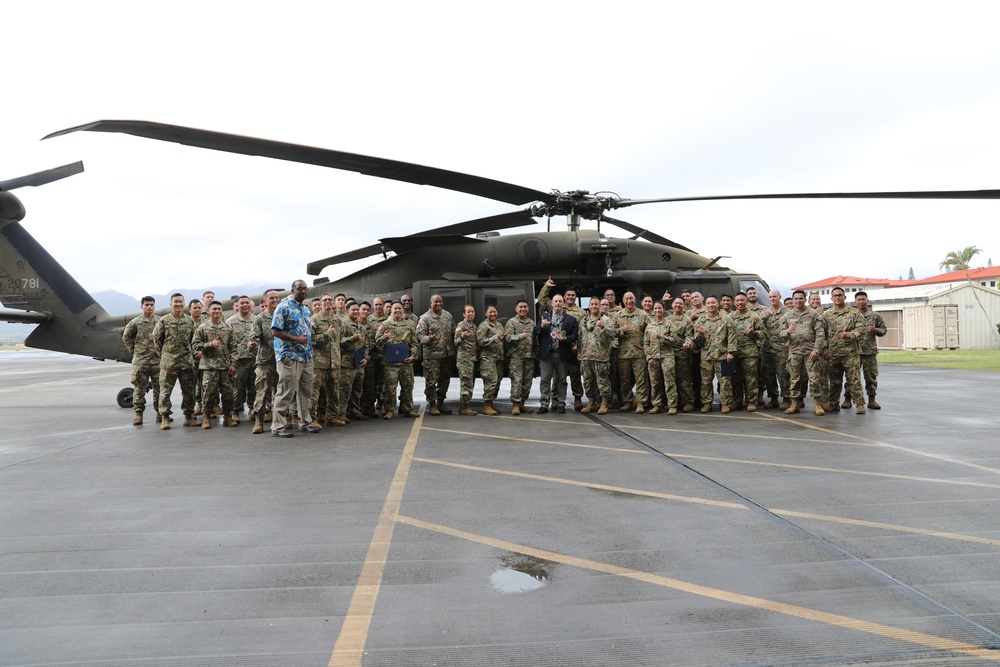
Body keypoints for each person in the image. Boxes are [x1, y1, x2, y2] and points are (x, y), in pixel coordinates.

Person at [270, 280, 319, 438]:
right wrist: (296, 339)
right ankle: (277, 426)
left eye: (305, 289)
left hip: (306, 356)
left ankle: (305, 422)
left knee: (305, 392)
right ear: (292, 290)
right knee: (285, 391)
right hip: (289, 355)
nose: (303, 291)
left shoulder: (305, 309)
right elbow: (275, 331)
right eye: (300, 289)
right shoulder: (283, 307)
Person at [152, 293, 198, 429]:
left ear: (184, 304)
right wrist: (165, 355)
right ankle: (165, 418)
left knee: (189, 391)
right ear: (170, 304)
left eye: (181, 302)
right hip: (169, 364)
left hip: (186, 363)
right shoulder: (164, 321)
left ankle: (188, 417)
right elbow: (156, 339)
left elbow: (193, 340)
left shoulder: (190, 321)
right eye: (175, 302)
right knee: (165, 391)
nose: (178, 304)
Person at [780, 289, 827, 416]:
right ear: (792, 300)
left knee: (814, 378)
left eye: (801, 298)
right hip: (794, 352)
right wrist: (787, 332)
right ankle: (794, 403)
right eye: (796, 298)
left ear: (805, 300)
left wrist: (817, 350)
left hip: (810, 352)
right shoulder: (786, 316)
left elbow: (820, 334)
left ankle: (817, 404)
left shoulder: (814, 314)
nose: (798, 301)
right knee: (794, 379)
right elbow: (781, 334)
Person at [194, 301, 239, 428]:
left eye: (219, 309)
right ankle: (206, 417)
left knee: (228, 394)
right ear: (209, 311)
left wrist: (234, 364)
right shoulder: (202, 328)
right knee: (208, 394)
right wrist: (210, 345)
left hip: (225, 367)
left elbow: (234, 347)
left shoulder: (227, 328)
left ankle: (228, 417)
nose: (217, 312)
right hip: (209, 367)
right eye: (214, 309)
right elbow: (195, 345)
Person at [823, 286, 867, 414]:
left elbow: (862, 330)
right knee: (835, 381)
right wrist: (825, 349)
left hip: (850, 353)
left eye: (840, 295)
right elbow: (822, 334)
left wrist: (848, 335)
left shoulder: (854, 313)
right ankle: (833, 403)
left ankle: (859, 404)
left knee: (854, 379)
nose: (837, 297)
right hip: (833, 353)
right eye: (835, 295)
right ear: (831, 298)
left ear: (844, 297)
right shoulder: (827, 315)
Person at [644, 300, 691, 414]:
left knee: (669, 382)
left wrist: (662, 337)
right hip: (654, 357)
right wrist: (648, 357)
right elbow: (645, 343)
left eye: (660, 308)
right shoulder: (650, 325)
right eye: (655, 308)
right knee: (655, 383)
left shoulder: (669, 324)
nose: (657, 310)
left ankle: (672, 405)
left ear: (664, 310)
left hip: (667, 357)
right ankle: (657, 404)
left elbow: (674, 341)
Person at [376, 301, 420, 419]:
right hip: (390, 363)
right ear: (391, 310)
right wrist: (384, 338)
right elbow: (377, 343)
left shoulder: (409, 325)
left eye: (399, 308)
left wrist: (413, 356)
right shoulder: (385, 325)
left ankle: (408, 409)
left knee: (408, 386)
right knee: (390, 388)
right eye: (395, 308)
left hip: (406, 362)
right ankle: (390, 410)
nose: (397, 311)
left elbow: (415, 343)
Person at [122, 296, 161, 425]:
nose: (149, 307)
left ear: (154, 306)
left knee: (159, 388)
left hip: (157, 361)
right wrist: (135, 351)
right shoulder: (135, 322)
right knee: (139, 388)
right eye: (146, 305)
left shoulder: (160, 322)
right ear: (142, 306)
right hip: (141, 361)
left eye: (151, 305)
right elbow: (126, 337)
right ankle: (139, 414)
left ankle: (160, 413)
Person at [536, 294, 578, 414]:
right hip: (547, 355)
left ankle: (561, 403)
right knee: (545, 380)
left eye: (560, 301)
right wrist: (541, 326)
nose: (558, 303)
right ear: (552, 304)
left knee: (562, 380)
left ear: (563, 304)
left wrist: (566, 339)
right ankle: (544, 404)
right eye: (556, 301)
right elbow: (535, 331)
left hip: (562, 353)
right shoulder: (544, 316)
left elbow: (574, 335)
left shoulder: (571, 319)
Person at [694, 296, 736, 413]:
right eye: (708, 303)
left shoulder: (726, 319)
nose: (711, 305)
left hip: (723, 356)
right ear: (705, 305)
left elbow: (732, 337)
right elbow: (696, 342)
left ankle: (725, 403)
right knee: (706, 381)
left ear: (718, 304)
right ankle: (707, 403)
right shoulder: (700, 320)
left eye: (713, 302)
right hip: (706, 357)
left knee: (725, 381)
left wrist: (731, 352)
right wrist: (699, 335)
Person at [415, 294, 456, 415]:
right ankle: (432, 405)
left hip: (446, 355)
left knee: (445, 380)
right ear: (430, 303)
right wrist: (429, 338)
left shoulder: (448, 315)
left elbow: (454, 332)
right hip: (432, 356)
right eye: (435, 302)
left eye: (440, 302)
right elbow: (419, 336)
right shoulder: (424, 318)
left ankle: (441, 403)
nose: (438, 304)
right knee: (431, 382)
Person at [248, 289, 280, 434]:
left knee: (280, 392)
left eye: (276, 298)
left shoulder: (282, 316)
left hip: (281, 359)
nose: (274, 300)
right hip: (265, 360)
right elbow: (254, 337)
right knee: (262, 391)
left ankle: (278, 420)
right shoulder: (259, 318)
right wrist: (253, 343)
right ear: (265, 302)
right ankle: (259, 421)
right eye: (271, 298)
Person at [311, 294, 345, 427]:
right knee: (314, 392)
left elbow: (340, 340)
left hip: (335, 362)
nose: (327, 302)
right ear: (320, 303)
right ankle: (311, 419)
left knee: (334, 391)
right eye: (324, 300)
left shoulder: (337, 320)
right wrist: (326, 335)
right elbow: (311, 340)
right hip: (319, 362)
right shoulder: (314, 319)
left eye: (329, 300)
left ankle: (331, 417)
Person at [613, 291, 650, 412]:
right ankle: (627, 401)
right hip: (623, 354)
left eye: (631, 299)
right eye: (627, 299)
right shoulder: (618, 316)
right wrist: (621, 330)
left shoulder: (643, 314)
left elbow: (649, 332)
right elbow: (610, 333)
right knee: (625, 380)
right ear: (623, 301)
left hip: (639, 353)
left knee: (641, 379)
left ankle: (641, 402)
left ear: (635, 300)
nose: (629, 301)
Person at [579, 297, 616, 414]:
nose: (594, 306)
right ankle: (591, 402)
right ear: (589, 306)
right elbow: (580, 338)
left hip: (601, 357)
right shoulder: (583, 320)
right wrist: (579, 352)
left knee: (603, 381)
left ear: (600, 306)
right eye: (592, 304)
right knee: (588, 381)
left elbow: (612, 334)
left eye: (596, 304)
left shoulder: (606, 320)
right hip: (586, 357)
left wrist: (603, 326)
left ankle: (604, 403)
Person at [730, 292, 763, 411]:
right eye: (737, 301)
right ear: (734, 303)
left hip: (750, 353)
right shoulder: (730, 317)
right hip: (734, 353)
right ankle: (737, 401)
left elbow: (763, 334)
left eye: (742, 300)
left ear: (746, 301)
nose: (740, 303)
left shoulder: (754, 317)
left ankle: (751, 402)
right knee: (735, 378)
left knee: (751, 379)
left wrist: (753, 333)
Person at [226, 295, 256, 423]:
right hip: (239, 361)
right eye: (242, 303)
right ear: (237, 306)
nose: (245, 305)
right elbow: (226, 343)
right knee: (238, 388)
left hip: (254, 359)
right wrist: (231, 362)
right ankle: (235, 411)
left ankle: (252, 409)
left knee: (254, 387)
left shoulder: (256, 320)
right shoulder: (230, 321)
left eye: (247, 303)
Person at [854, 291, 886, 409]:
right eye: (859, 300)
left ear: (867, 300)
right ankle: (848, 399)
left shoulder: (875, 316)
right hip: (854, 352)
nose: (861, 301)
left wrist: (876, 330)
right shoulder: (852, 315)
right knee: (852, 377)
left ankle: (872, 399)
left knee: (871, 377)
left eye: (863, 299)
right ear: (855, 302)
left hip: (869, 352)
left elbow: (884, 330)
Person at [504, 299, 537, 415]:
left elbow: (535, 340)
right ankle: (516, 404)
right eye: (520, 307)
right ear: (516, 309)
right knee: (517, 381)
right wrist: (520, 337)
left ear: (528, 309)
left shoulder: (532, 323)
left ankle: (522, 403)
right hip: (516, 357)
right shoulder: (511, 322)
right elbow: (508, 337)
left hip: (529, 357)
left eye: (525, 307)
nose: (523, 309)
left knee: (527, 382)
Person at [761, 289, 791, 409]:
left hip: (782, 348)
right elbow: (758, 326)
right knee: (769, 375)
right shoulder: (766, 312)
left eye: (775, 296)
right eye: (770, 297)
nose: (772, 299)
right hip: (767, 348)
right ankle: (773, 398)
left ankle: (786, 398)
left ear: (780, 297)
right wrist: (765, 317)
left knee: (783, 375)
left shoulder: (787, 312)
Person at [340, 301, 369, 421]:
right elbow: (339, 342)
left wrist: (366, 358)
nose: (356, 312)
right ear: (347, 312)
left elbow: (366, 345)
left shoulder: (362, 327)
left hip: (359, 362)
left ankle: (355, 411)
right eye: (353, 310)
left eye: (357, 310)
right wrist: (352, 339)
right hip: (347, 363)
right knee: (345, 389)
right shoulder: (343, 324)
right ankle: (341, 413)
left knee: (358, 389)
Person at [667, 298, 697, 412]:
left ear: (683, 306)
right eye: (676, 303)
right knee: (670, 379)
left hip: (682, 353)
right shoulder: (667, 319)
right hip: (668, 353)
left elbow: (689, 335)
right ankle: (674, 402)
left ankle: (688, 402)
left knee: (684, 378)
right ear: (672, 305)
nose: (678, 305)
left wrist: (688, 343)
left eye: (680, 303)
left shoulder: (687, 320)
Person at [477, 305, 505, 416]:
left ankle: (491, 403)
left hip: (498, 358)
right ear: (486, 314)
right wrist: (494, 338)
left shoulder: (499, 325)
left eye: (494, 312)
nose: (493, 314)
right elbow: (481, 341)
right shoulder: (483, 326)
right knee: (491, 381)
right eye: (490, 312)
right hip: (488, 358)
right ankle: (486, 405)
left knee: (497, 381)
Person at [453, 304, 480, 415]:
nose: (471, 314)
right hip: (464, 359)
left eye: (472, 311)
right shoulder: (461, 325)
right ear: (464, 314)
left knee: (470, 383)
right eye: (468, 312)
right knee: (466, 383)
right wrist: (462, 337)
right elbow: (455, 342)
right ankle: (464, 408)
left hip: (472, 359)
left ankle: (465, 405)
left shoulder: (474, 326)